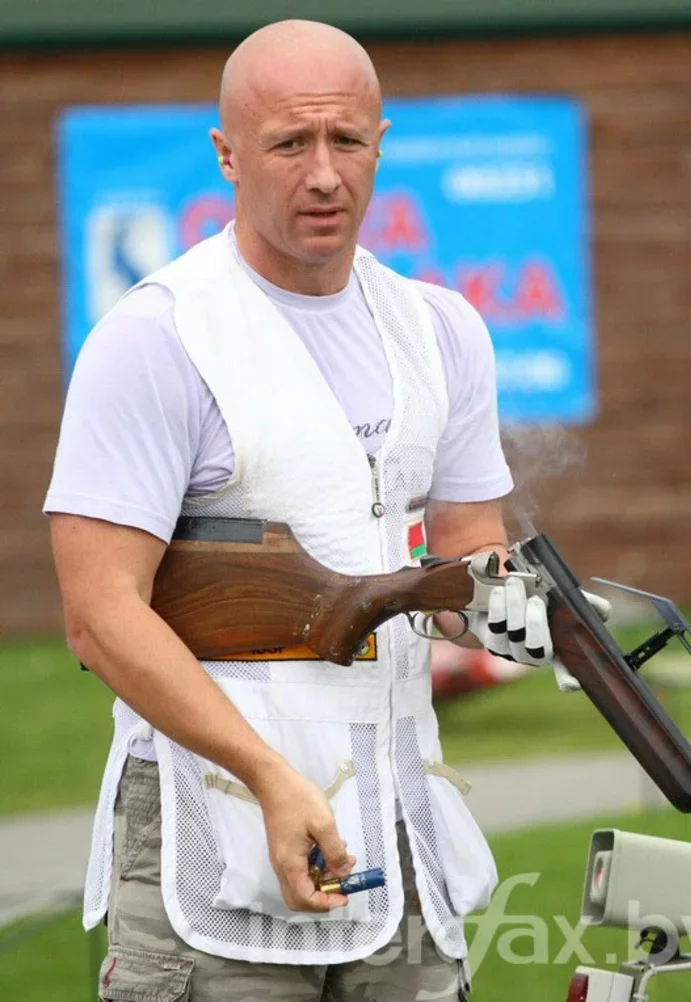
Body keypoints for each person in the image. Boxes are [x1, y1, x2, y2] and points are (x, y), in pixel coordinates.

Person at [45, 19, 564, 1001]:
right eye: (290, 143)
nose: (324, 175)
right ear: (227, 154)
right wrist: (270, 777)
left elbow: (468, 552)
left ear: (380, 142)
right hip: (213, 809)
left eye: (346, 141)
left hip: (400, 822)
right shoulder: (158, 337)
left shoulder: (441, 329)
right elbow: (100, 614)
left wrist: (516, 611)